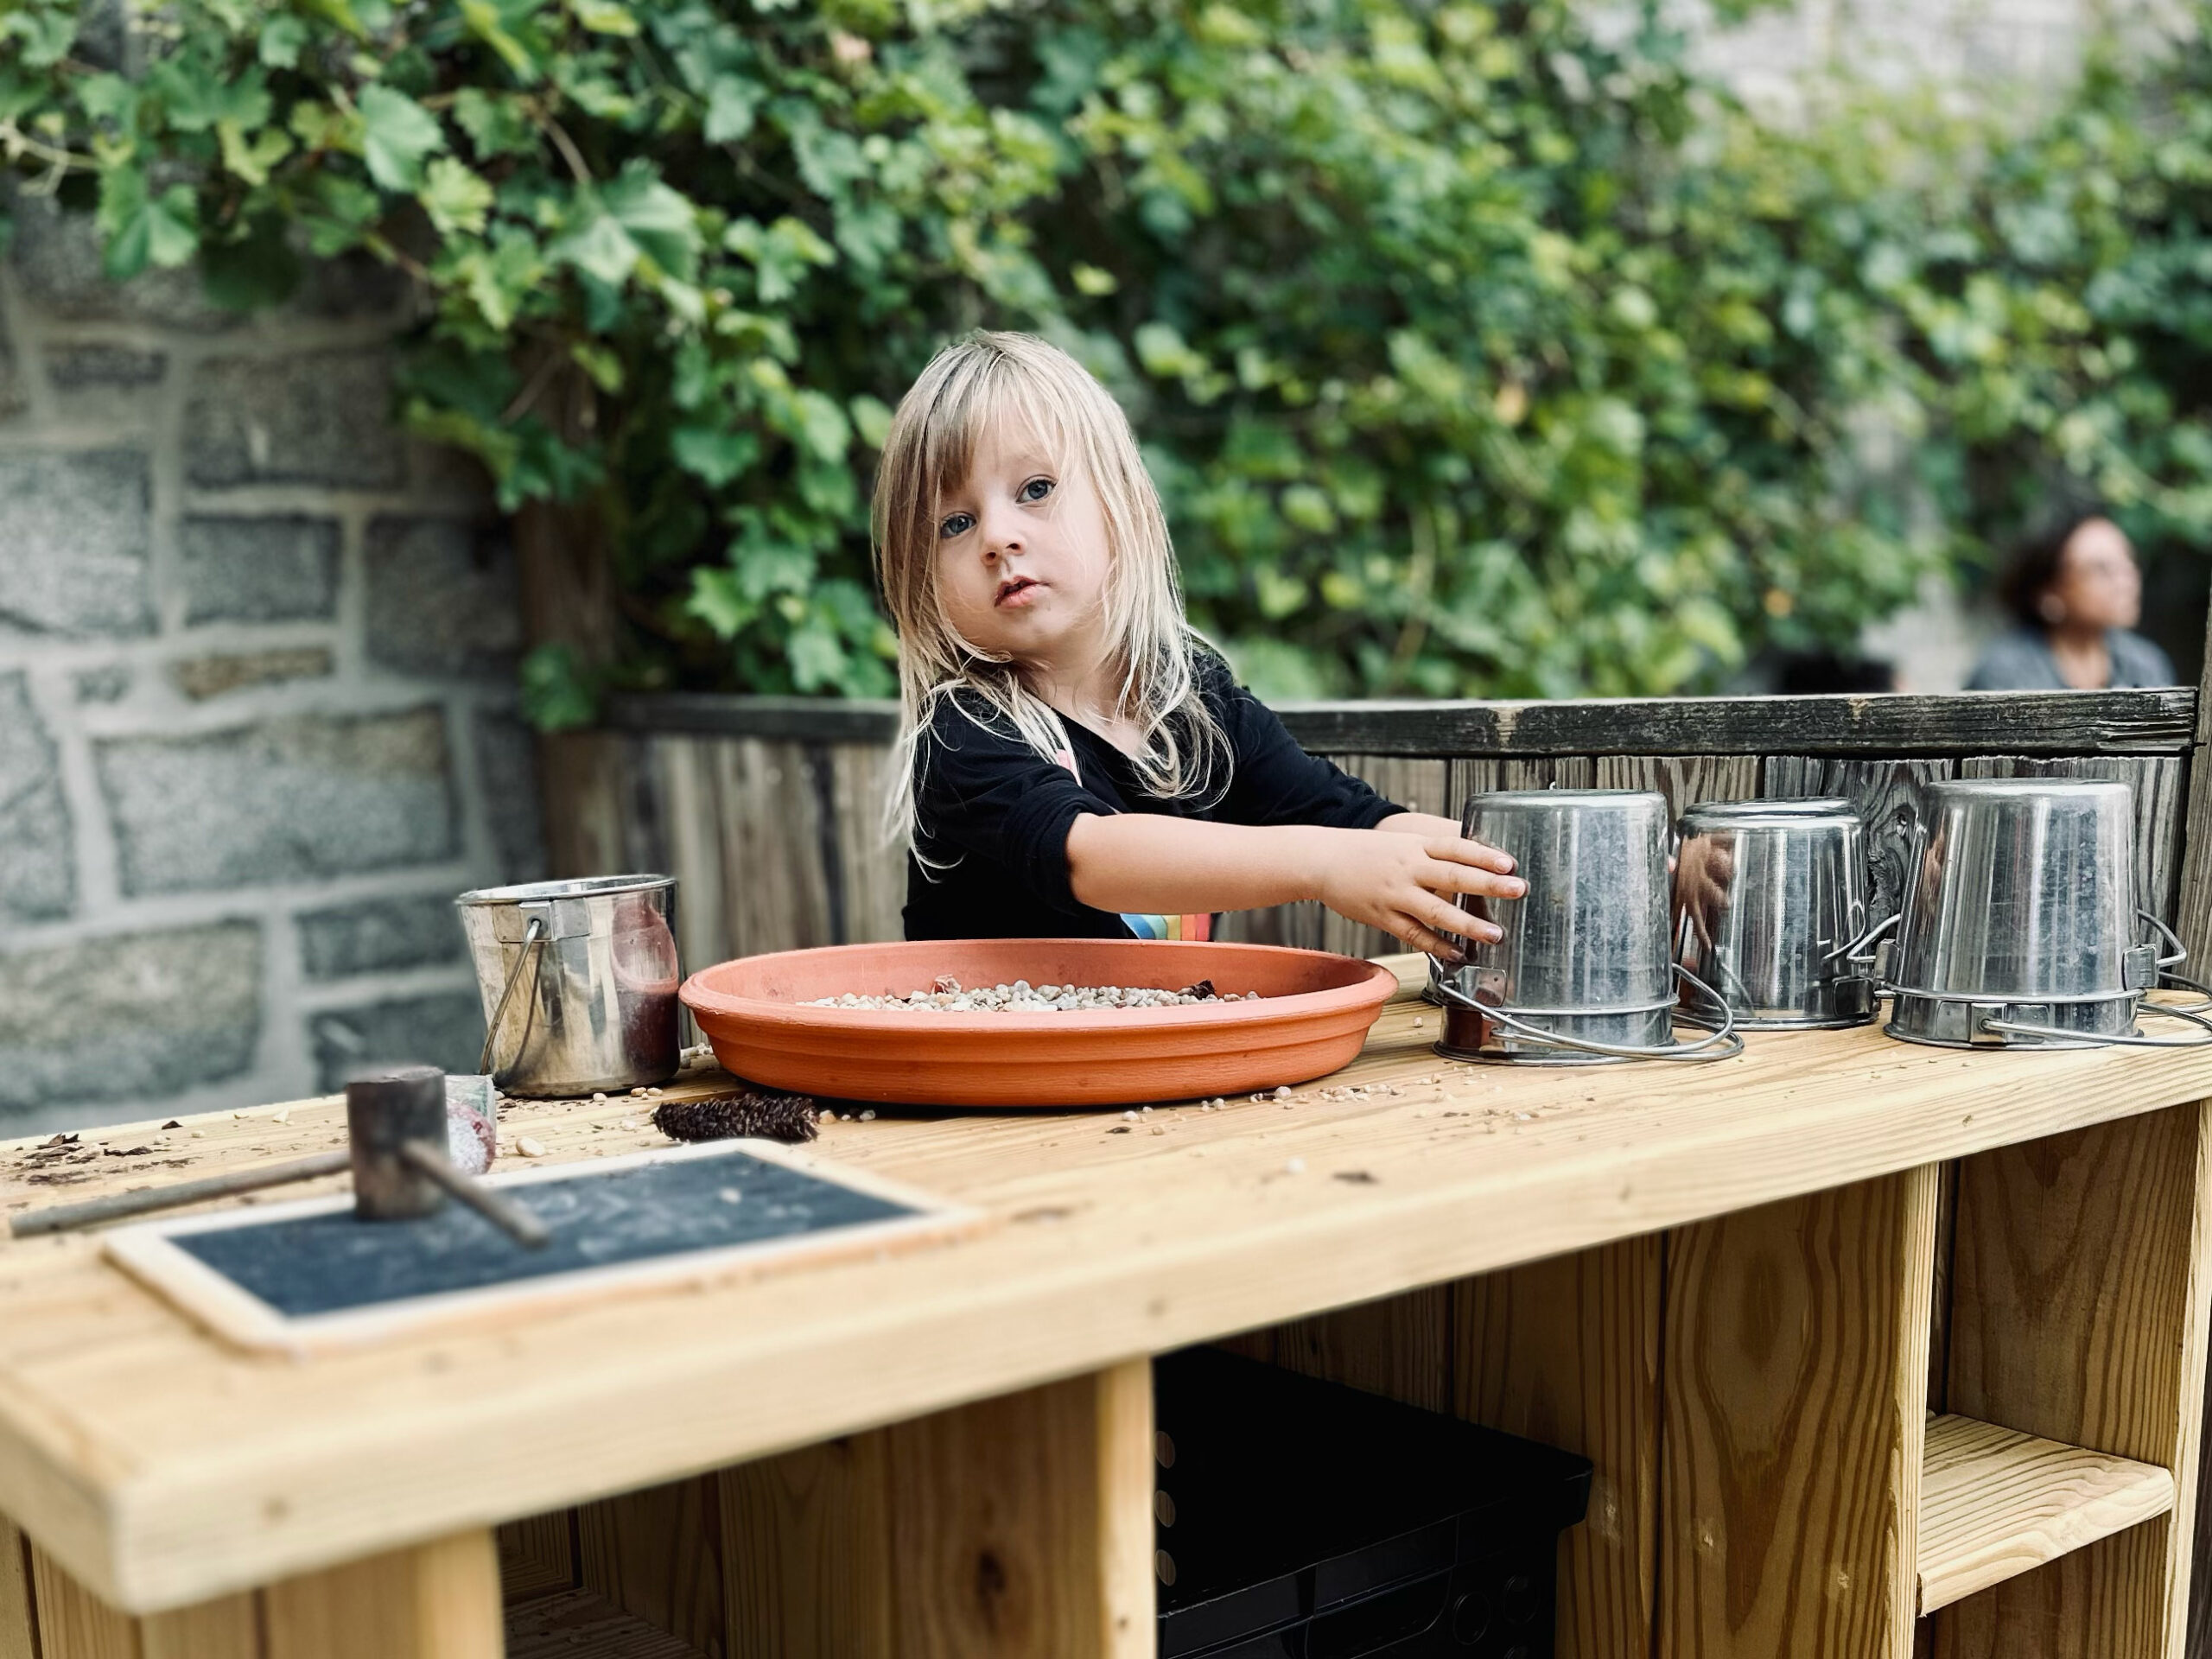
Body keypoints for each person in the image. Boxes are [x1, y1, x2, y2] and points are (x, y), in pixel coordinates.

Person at [871, 330, 1525, 956]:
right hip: (996, 1063)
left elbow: (1355, 822)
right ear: (920, 582)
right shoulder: (962, 729)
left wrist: (1517, 867)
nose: (997, 537)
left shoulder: (1191, 698)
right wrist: (1324, 865)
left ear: (1121, 503)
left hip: (1160, 1060)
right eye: (955, 523)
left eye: (1035, 490)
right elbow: (1090, 856)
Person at [1965, 507, 2176, 690]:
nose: (2126, 582)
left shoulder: (2145, 665)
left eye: (2128, 563)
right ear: (2049, 591)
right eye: (2101, 569)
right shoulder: (2005, 674)